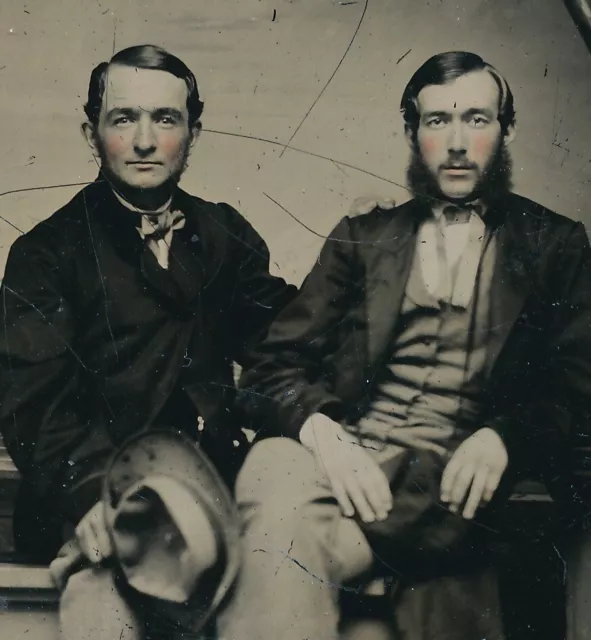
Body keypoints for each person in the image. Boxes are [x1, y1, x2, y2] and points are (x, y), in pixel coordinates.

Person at [221, 51, 591, 640]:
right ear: (412, 133)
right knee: (270, 471)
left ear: (507, 128)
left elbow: (576, 387)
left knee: (276, 559)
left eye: (477, 118)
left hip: (440, 478)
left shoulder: (556, 246)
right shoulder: (366, 235)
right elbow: (271, 365)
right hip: (342, 456)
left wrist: (505, 436)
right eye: (438, 121)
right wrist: (325, 434)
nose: (457, 142)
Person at [0, 44, 300, 639]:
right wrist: (94, 497)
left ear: (193, 130)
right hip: (89, 505)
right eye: (123, 118)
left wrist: (357, 252)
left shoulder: (223, 232)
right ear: (92, 133)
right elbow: (35, 406)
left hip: (210, 509)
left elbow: (286, 339)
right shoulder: (44, 254)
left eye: (165, 118)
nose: (144, 140)